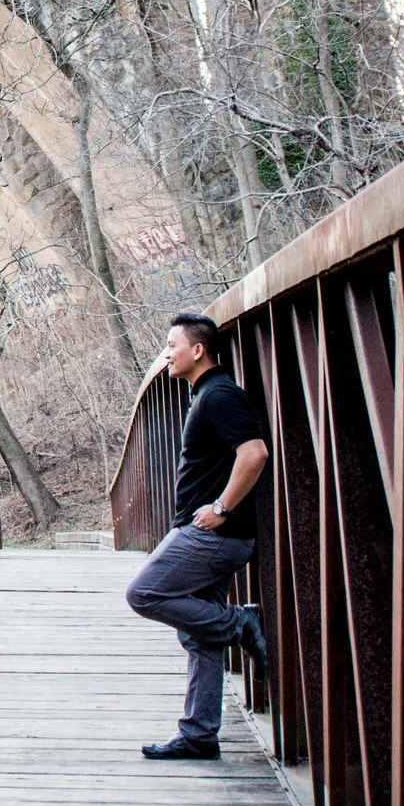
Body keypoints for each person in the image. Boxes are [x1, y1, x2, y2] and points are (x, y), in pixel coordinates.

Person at [126, 312, 271, 761]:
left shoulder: (219, 395)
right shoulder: (206, 394)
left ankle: (241, 623)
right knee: (198, 634)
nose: (165, 354)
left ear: (198, 350)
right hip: (211, 534)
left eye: (172, 345)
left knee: (144, 593)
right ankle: (199, 734)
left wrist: (221, 507)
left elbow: (255, 453)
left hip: (212, 535)